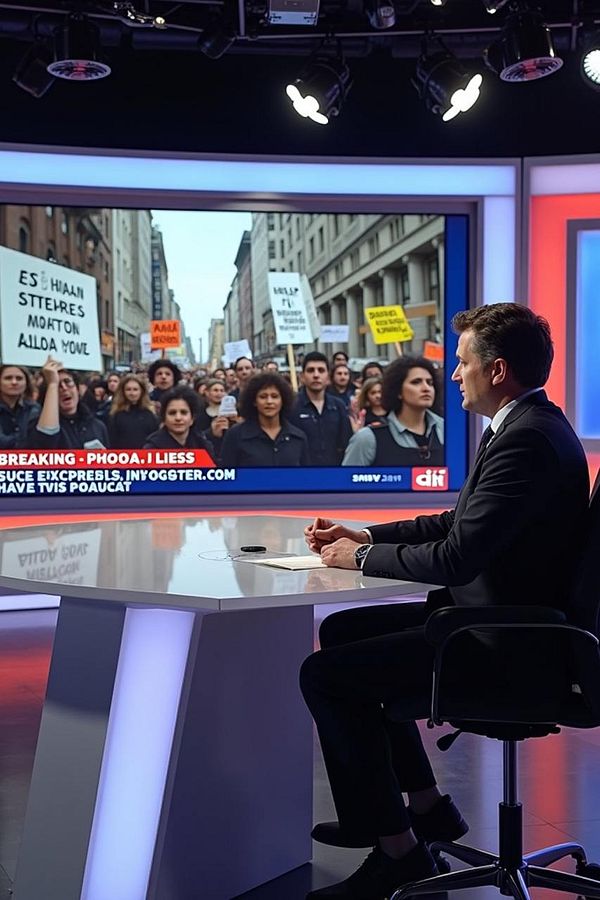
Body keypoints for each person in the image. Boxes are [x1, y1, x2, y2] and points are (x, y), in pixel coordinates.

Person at [300, 303, 590, 900]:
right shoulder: (525, 425)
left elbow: (456, 558)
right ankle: (424, 810)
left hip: (504, 640)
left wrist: (354, 561)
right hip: (494, 619)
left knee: (324, 675)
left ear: (498, 369)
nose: (454, 375)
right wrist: (368, 538)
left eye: (462, 363)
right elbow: (457, 523)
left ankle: (397, 849)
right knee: (343, 635)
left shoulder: (527, 441)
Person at [342, 357, 444, 466]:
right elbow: (346, 481)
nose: (426, 388)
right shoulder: (367, 438)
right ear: (398, 390)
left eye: (430, 383)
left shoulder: (447, 431)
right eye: (416, 382)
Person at [221, 373, 309, 467]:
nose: (269, 402)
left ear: (283, 400)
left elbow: (305, 477)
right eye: (263, 397)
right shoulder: (235, 435)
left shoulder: (298, 437)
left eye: (274, 396)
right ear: (254, 401)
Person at [29, 356, 109, 449]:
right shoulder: (37, 425)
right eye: (58, 385)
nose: (64, 388)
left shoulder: (97, 426)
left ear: (78, 389)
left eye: (68, 382)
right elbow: (45, 443)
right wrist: (52, 383)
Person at [291, 351, 352, 466]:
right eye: (310, 370)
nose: (316, 375)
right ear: (302, 377)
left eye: (321, 370)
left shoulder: (338, 406)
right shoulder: (292, 406)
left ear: (328, 377)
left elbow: (345, 442)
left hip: (333, 474)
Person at [143, 385, 215, 458]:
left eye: (183, 412)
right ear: (164, 418)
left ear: (192, 418)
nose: (178, 418)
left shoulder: (204, 446)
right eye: (172, 413)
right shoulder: (151, 449)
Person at [108, 373, 158, 448]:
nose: (132, 393)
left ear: (141, 391)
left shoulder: (150, 414)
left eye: (135, 389)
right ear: (123, 392)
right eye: (128, 389)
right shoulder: (116, 415)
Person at [0, 364, 40, 449]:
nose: (14, 382)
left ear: (26, 383)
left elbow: (40, 441)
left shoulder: (33, 408)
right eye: (8, 378)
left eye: (19, 378)